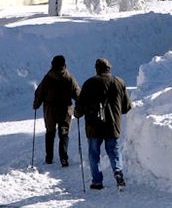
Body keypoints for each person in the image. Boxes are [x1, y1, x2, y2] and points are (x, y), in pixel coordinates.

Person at [76, 57, 130, 190]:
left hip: (94, 126)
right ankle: (118, 173)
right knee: (114, 151)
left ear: (96, 69)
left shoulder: (89, 83)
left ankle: (97, 182)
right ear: (109, 69)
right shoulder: (119, 82)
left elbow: (80, 106)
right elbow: (127, 106)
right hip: (112, 125)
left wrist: (77, 113)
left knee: (94, 154)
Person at [32, 54, 79, 167]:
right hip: (65, 110)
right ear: (64, 65)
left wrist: (36, 104)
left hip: (50, 110)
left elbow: (39, 93)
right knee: (63, 133)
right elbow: (77, 94)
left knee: (50, 132)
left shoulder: (48, 78)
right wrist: (81, 106)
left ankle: (49, 158)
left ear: (52, 65)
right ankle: (63, 158)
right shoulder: (69, 78)